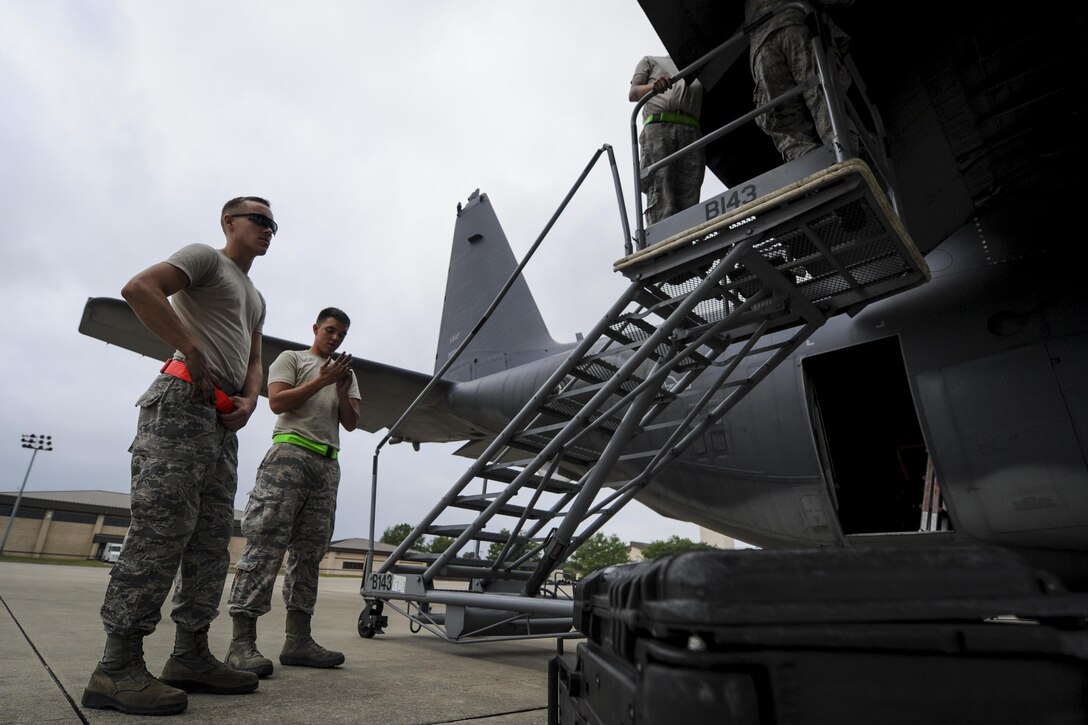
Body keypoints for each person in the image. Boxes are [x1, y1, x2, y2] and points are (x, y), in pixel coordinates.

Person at [82, 197, 275, 716]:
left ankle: (190, 654)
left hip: (221, 420)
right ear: (228, 222)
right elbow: (139, 289)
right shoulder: (205, 258)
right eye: (258, 219)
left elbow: (255, 359)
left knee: (211, 542)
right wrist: (190, 346)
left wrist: (252, 397)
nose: (268, 228)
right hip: (181, 402)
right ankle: (116, 667)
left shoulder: (255, 297)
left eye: (273, 223)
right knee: (162, 529)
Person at [225, 307, 360, 677]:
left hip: (326, 464)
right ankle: (241, 644)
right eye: (330, 331)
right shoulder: (293, 359)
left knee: (309, 553)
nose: (335, 338)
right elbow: (277, 403)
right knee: (266, 545)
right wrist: (321, 380)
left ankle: (298, 640)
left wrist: (343, 389)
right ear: (316, 328)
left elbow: (351, 423)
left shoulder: (344, 373)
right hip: (290, 455)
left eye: (341, 335)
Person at [746, 0, 853, 162]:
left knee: (783, 118)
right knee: (822, 94)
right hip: (794, 25)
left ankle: (814, 167)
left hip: (760, 51)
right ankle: (846, 153)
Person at [629, 55, 705, 225]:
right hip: (659, 127)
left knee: (689, 196)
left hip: (691, 131)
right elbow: (633, 93)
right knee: (662, 194)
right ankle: (663, 242)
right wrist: (654, 87)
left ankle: (687, 242)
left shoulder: (700, 65)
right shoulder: (651, 60)